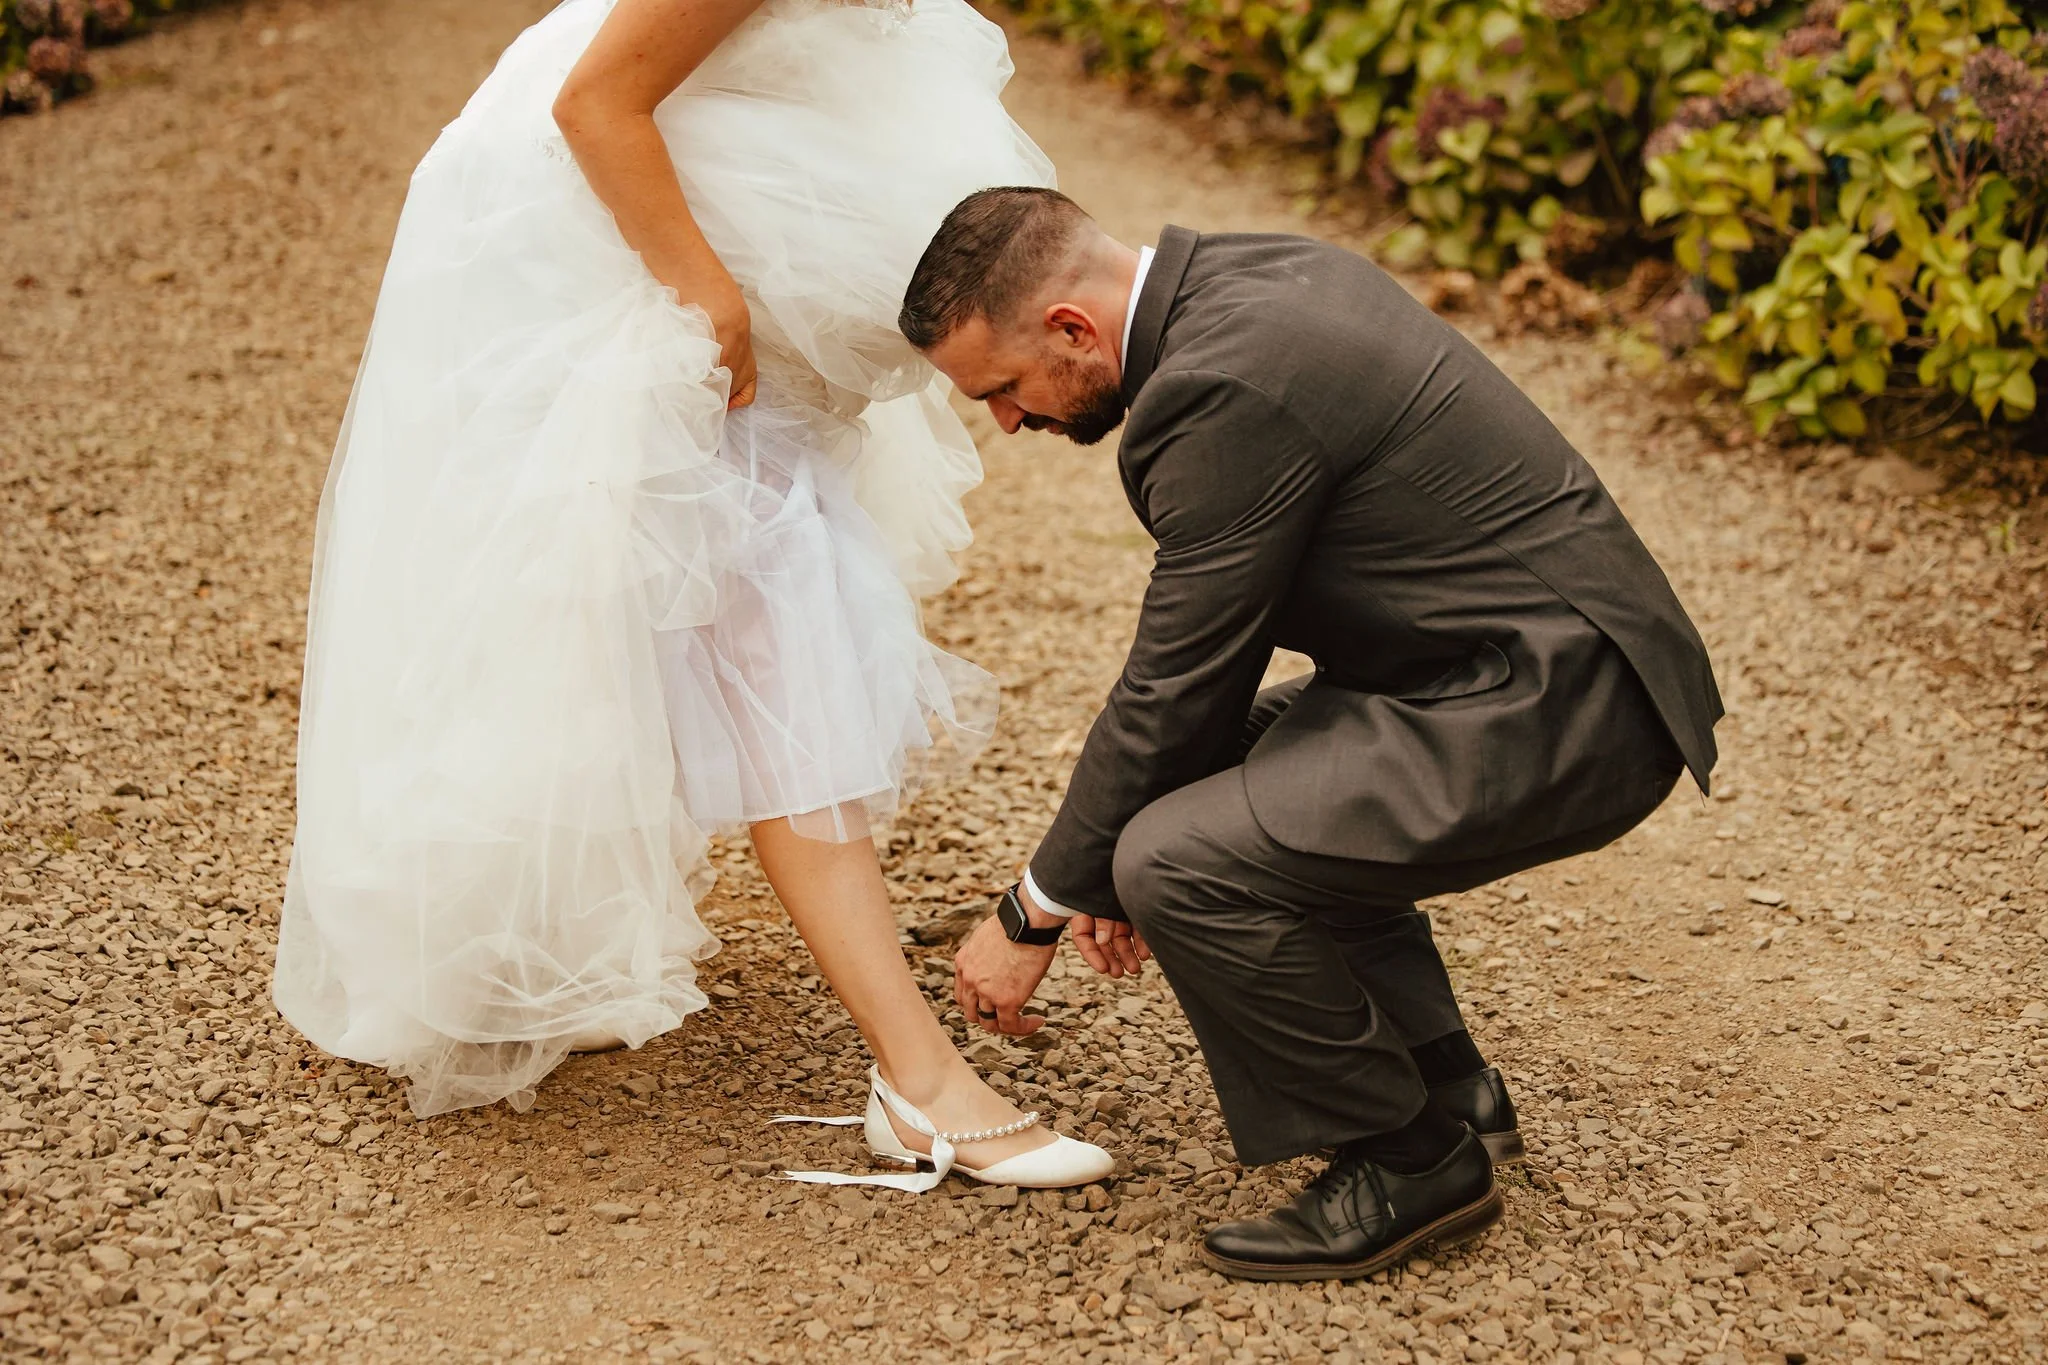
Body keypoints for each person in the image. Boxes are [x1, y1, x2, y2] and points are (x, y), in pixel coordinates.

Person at [273, 0, 1112, 1192]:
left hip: (728, 240)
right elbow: (593, 100)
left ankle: (539, 946)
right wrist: (705, 298)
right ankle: (919, 1083)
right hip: (614, 251)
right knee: (774, 614)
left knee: (696, 607)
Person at [908, 188, 1721, 1276]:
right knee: (1200, 796)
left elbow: (1174, 685)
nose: (1008, 423)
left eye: (1003, 391)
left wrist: (1036, 909)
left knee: (1179, 859)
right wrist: (1084, 867)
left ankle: (1409, 1157)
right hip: (1489, 666)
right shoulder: (1249, 278)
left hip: (1553, 705)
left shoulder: (1217, 387)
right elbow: (1188, 711)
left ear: (1071, 328)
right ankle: (1447, 1081)